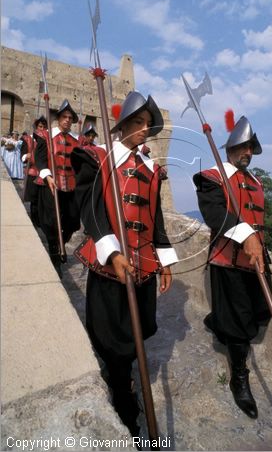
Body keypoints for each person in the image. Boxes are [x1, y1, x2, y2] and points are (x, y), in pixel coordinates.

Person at [71, 91, 178, 435]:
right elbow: (90, 209)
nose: (144, 130)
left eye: (148, 124)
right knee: (110, 330)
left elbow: (155, 217)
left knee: (135, 329)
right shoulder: (98, 159)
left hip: (143, 262)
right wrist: (113, 252)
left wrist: (165, 259)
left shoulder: (149, 168)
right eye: (138, 123)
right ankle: (121, 387)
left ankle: (124, 370)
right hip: (109, 264)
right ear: (122, 127)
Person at [193, 113, 271, 420]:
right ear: (230, 148)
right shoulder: (212, 177)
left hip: (256, 262)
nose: (248, 153)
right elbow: (215, 215)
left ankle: (219, 323)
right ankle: (239, 378)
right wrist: (245, 234)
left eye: (251, 147)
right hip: (228, 261)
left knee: (259, 313)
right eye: (243, 147)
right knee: (240, 327)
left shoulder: (256, 181)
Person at [34, 100, 81, 277]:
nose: (67, 120)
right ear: (58, 119)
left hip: (71, 187)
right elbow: (39, 159)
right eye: (64, 117)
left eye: (70, 117)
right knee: (51, 223)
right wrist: (47, 175)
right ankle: (55, 257)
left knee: (73, 222)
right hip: (51, 185)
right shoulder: (45, 136)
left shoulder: (77, 141)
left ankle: (62, 243)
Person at [21, 116, 48, 226]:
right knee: (34, 201)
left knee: (44, 201)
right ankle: (35, 222)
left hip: (44, 174)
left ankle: (41, 221)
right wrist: (27, 156)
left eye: (44, 127)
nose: (42, 129)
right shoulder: (28, 139)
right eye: (40, 126)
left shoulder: (48, 141)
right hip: (32, 173)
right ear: (36, 127)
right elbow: (22, 156)